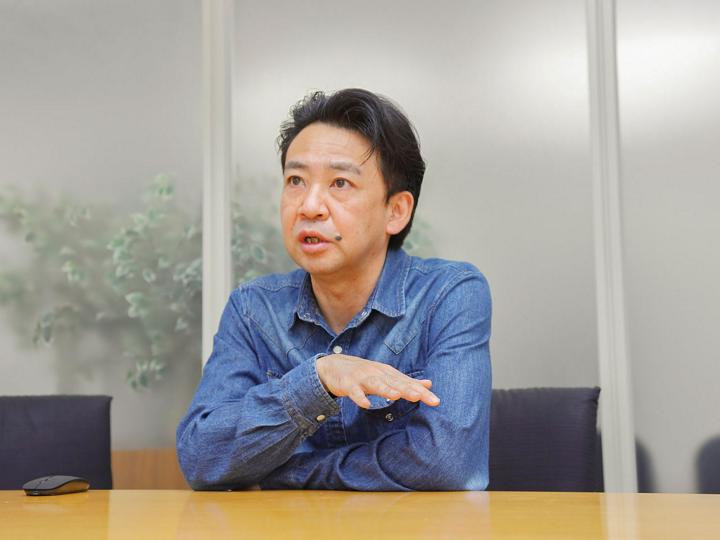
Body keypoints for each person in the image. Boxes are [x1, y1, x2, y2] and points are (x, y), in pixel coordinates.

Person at [176, 88, 492, 491]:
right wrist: (320, 378)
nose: (309, 206)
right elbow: (201, 457)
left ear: (396, 211)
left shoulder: (448, 295)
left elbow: (446, 463)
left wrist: (290, 472)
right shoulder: (253, 309)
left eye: (340, 183)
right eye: (295, 180)